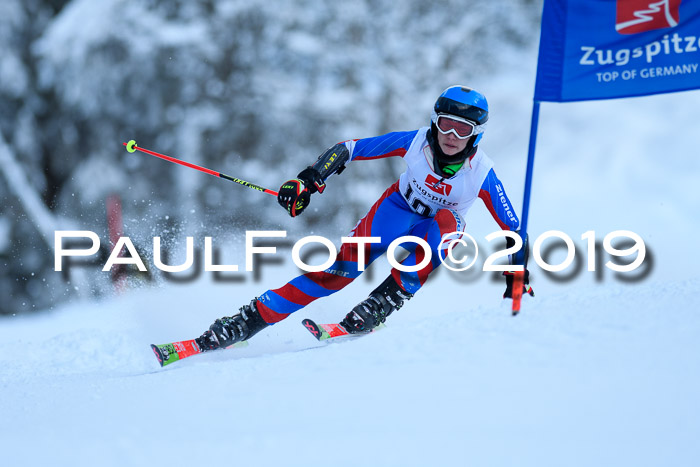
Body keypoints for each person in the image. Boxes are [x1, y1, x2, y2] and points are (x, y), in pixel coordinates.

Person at [195, 85, 533, 351]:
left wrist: (517, 272)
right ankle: (248, 320)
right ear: (435, 121)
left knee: (448, 224)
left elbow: (513, 228)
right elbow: (351, 148)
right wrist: (310, 179)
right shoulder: (416, 143)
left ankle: (383, 302)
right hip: (397, 210)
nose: (451, 136)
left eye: (463, 130)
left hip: (437, 227)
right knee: (335, 275)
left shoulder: (482, 174)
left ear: (476, 134)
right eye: (446, 125)